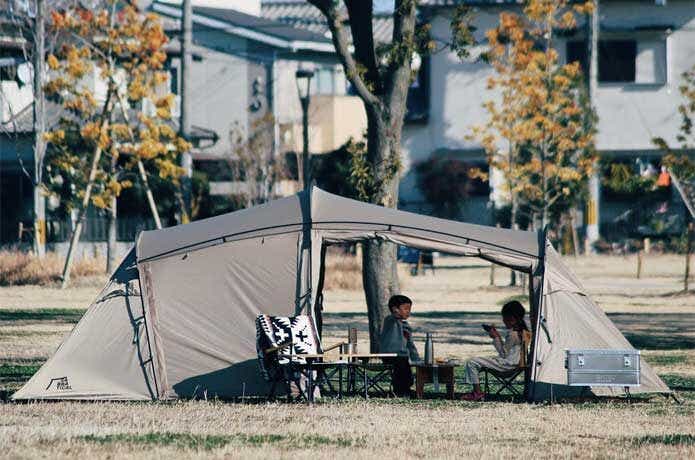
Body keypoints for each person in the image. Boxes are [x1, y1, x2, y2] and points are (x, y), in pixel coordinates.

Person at [460, 300, 529, 401]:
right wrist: (498, 337)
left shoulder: (513, 334)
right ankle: (476, 392)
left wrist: (495, 337)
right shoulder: (524, 332)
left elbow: (503, 354)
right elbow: (507, 350)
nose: (503, 321)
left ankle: (477, 392)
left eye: (504, 318)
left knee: (471, 362)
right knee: (477, 362)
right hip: (513, 365)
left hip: (506, 366)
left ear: (512, 319)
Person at [380, 294, 420, 397]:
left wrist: (417, 359)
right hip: (389, 355)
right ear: (395, 309)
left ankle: (405, 390)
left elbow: (410, 345)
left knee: (407, 372)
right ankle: (399, 391)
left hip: (401, 356)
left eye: (409, 309)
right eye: (405, 308)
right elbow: (394, 319)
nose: (408, 311)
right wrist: (396, 315)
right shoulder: (389, 320)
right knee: (401, 366)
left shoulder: (406, 326)